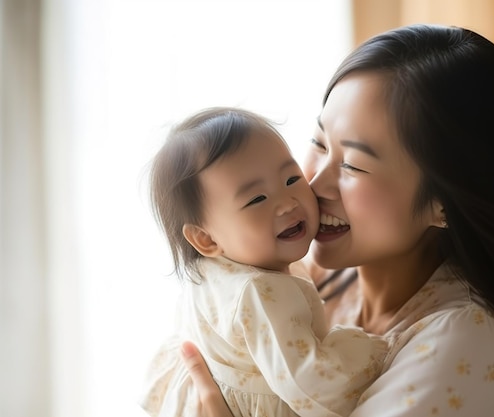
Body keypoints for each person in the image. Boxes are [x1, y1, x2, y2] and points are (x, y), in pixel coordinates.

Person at [175, 24, 494, 417]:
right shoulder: (315, 280)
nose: (313, 181)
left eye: (352, 164)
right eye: (318, 141)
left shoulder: (466, 340)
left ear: (444, 203)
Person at [140, 107, 389, 417]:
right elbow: (318, 386)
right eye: (257, 199)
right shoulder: (259, 291)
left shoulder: (214, 271)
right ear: (206, 239)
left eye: (291, 179)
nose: (287, 203)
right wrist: (373, 350)